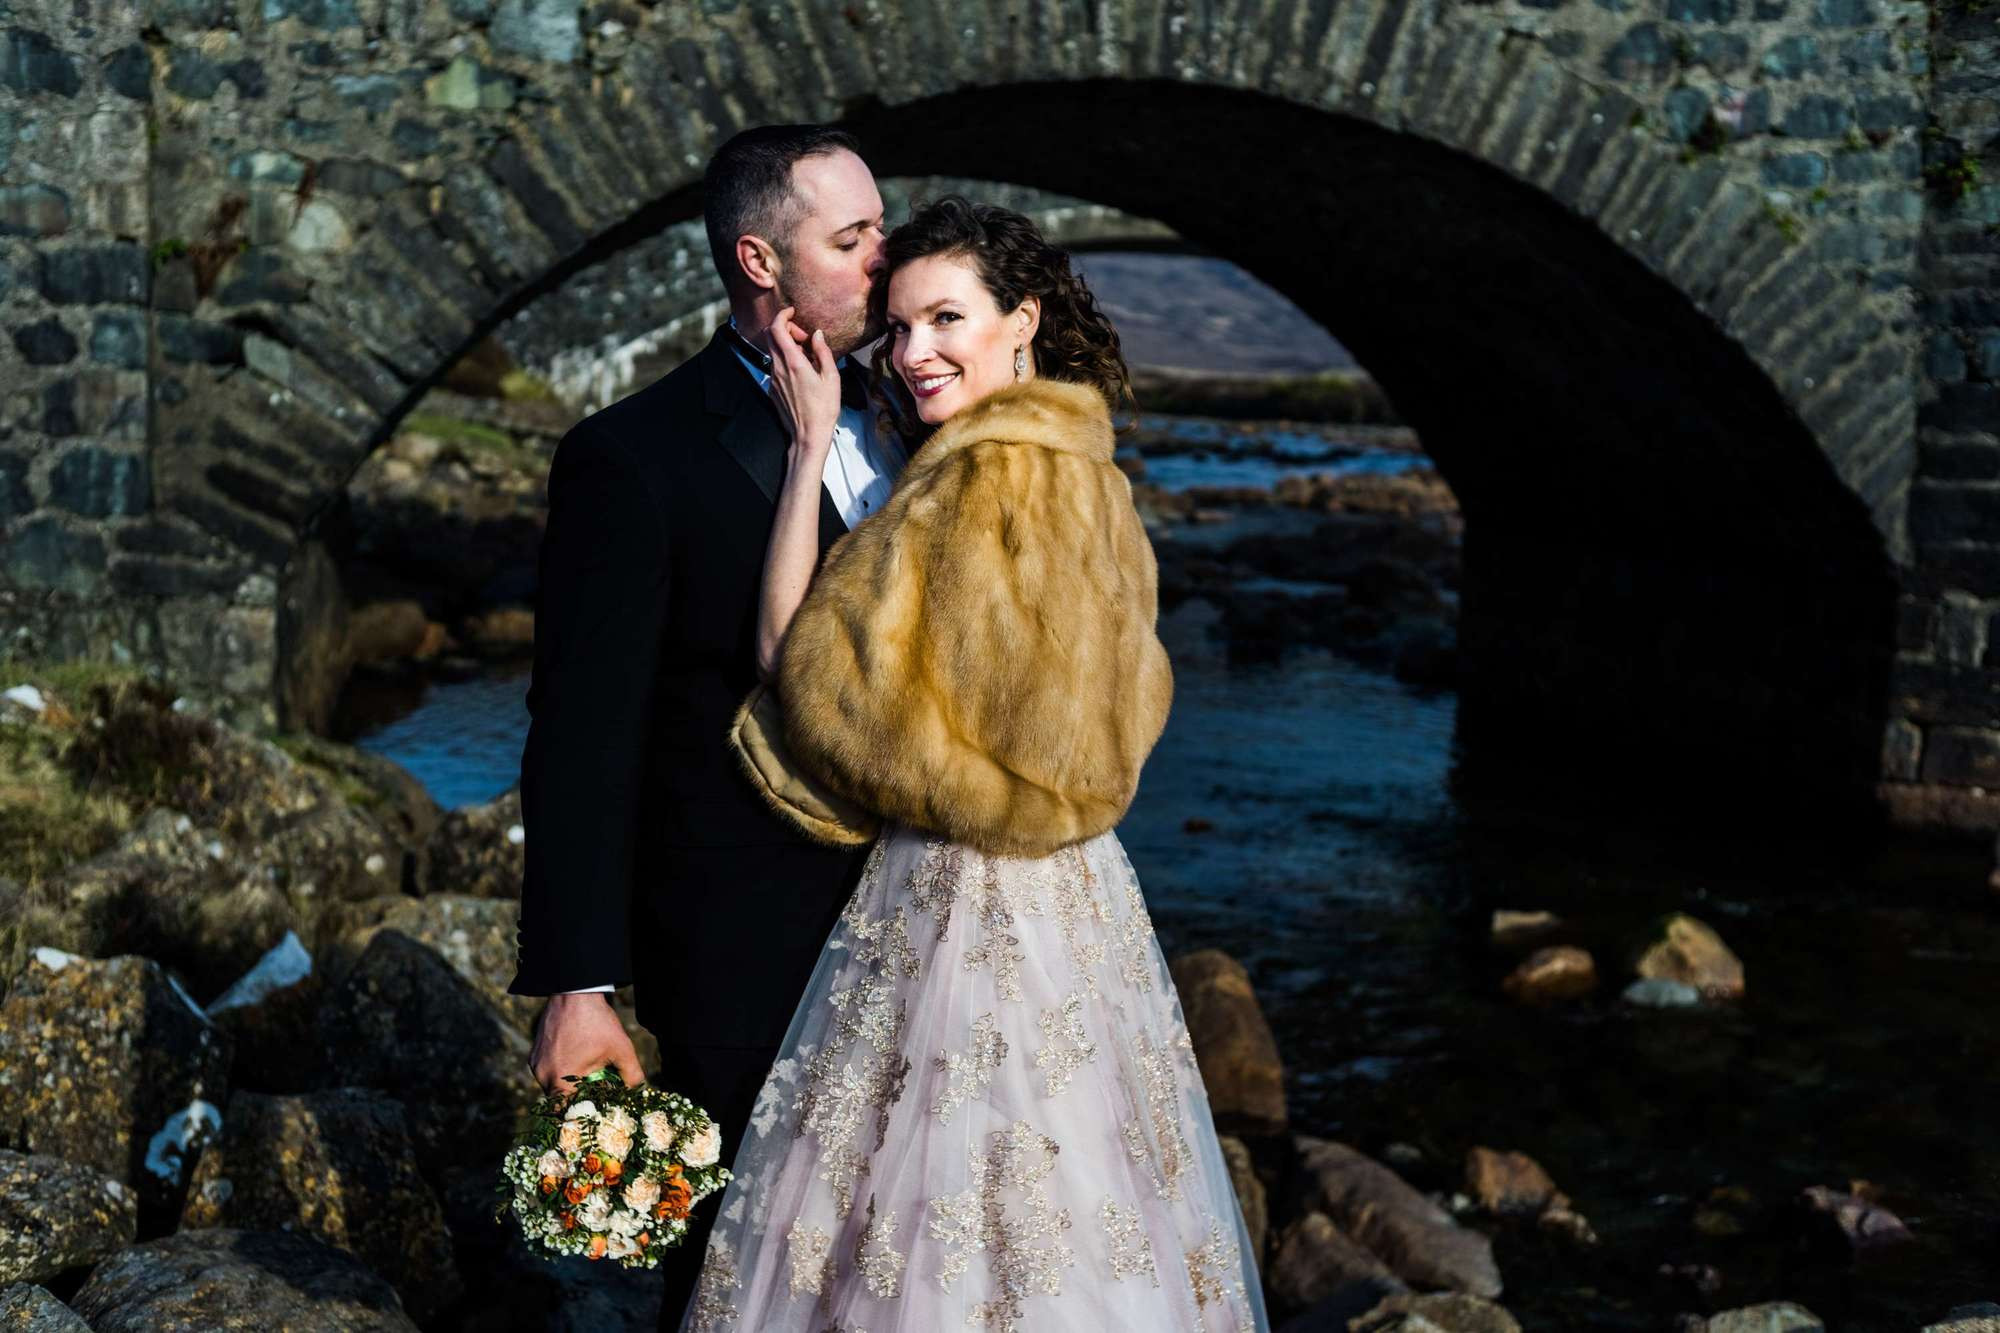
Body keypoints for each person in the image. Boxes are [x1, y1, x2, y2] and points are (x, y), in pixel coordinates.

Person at [684, 197, 1269, 1331]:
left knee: (941, 1211)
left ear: (1023, 321)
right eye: (901, 326)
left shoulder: (977, 477)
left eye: (946, 318)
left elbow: (808, 673)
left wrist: (808, 452)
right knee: (1072, 1196)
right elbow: (1124, 697)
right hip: (1078, 890)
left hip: (964, 895)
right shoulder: (1085, 466)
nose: (913, 353)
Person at [504, 123, 904, 1329]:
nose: (883, 258)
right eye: (852, 238)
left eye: (882, 229)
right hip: (740, 939)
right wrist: (577, 983)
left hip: (924, 910)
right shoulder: (632, 457)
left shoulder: (922, 410)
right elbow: (581, 729)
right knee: (747, 1259)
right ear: (759, 260)